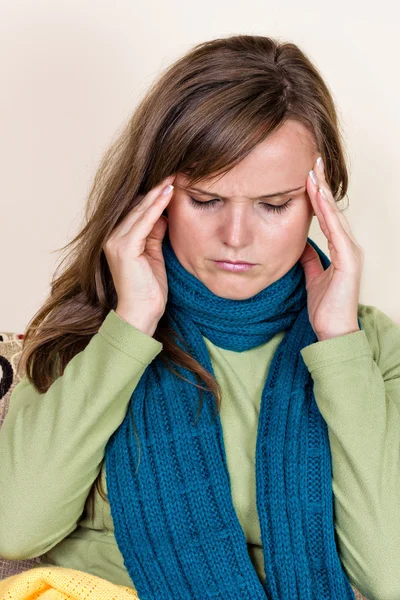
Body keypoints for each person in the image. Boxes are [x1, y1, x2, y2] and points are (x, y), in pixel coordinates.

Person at [0, 34, 399, 600]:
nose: (235, 237)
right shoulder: (90, 328)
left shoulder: (371, 349)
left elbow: (391, 574)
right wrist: (132, 323)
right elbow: (15, 528)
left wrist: (338, 344)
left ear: (321, 199)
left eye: (274, 205)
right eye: (206, 200)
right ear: (155, 195)